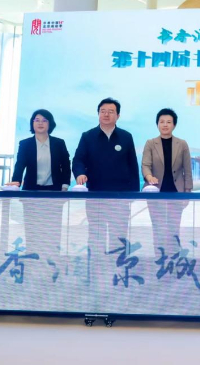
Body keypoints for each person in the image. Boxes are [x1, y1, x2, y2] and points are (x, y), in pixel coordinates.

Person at [72, 98, 139, 266]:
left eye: (111, 112)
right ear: (98, 114)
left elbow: (132, 165)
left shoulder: (126, 137)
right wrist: (80, 174)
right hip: (95, 195)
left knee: (119, 234)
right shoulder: (88, 136)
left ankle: (119, 269)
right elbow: (78, 159)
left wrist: (133, 193)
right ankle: (95, 268)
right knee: (96, 234)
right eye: (103, 111)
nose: (106, 114)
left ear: (118, 116)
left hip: (120, 197)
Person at [8, 109, 70, 261]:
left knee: (53, 228)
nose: (40, 123)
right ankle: (33, 257)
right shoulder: (25, 144)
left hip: (54, 193)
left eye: (44, 120)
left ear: (50, 124)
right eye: (37, 120)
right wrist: (16, 182)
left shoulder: (58, 143)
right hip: (32, 192)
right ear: (32, 123)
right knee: (32, 228)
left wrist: (65, 186)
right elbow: (20, 165)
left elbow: (66, 165)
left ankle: (53, 259)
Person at [141, 108, 193, 255]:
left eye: (169, 122)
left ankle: (174, 257)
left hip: (176, 193)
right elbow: (145, 165)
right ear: (157, 124)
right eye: (162, 122)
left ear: (174, 125)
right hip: (155, 192)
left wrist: (187, 192)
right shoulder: (150, 143)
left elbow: (187, 169)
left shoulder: (182, 144)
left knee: (174, 228)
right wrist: (149, 177)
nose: (165, 125)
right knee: (158, 227)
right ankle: (159, 257)